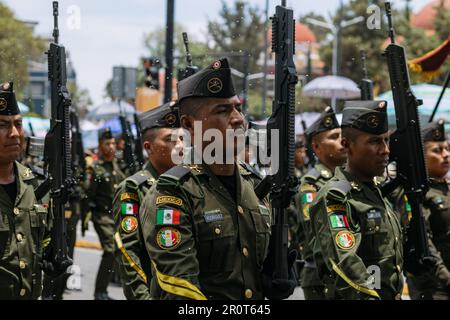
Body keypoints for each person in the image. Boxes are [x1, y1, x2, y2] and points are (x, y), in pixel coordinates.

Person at [140, 58, 296, 300]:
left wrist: (277, 275)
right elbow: (183, 290)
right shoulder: (172, 194)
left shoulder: (256, 186)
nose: (238, 119)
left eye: (238, 108)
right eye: (222, 110)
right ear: (189, 125)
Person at [310, 100, 404, 300]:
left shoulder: (375, 192)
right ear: (346, 145)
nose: (385, 150)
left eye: (385, 140)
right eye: (374, 141)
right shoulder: (336, 196)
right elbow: (345, 265)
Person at [112, 101, 183, 300]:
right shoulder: (134, 188)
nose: (179, 146)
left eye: (182, 139)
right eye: (170, 140)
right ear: (148, 147)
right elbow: (128, 254)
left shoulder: (189, 185)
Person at [0, 82, 51, 299]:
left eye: (18, 124)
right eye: (2, 125)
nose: (14, 133)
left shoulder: (35, 184)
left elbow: (44, 239)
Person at [295, 106, 347, 300]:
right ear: (316, 147)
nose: (341, 141)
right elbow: (316, 229)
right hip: (321, 278)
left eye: (342, 135)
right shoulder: (311, 184)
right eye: (333, 137)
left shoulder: (350, 179)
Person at [402, 120, 450, 300]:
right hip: (434, 286)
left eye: (446, 148)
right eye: (437, 150)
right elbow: (424, 241)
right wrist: (446, 278)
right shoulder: (417, 193)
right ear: (420, 156)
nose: (445, 155)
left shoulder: (446, 188)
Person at [85, 128, 126, 300]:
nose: (111, 147)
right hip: (102, 215)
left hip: (117, 216)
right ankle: (99, 292)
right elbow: (88, 195)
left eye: (113, 143)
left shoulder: (118, 166)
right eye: (107, 144)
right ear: (100, 146)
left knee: (117, 251)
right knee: (110, 250)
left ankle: (104, 290)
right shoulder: (96, 169)